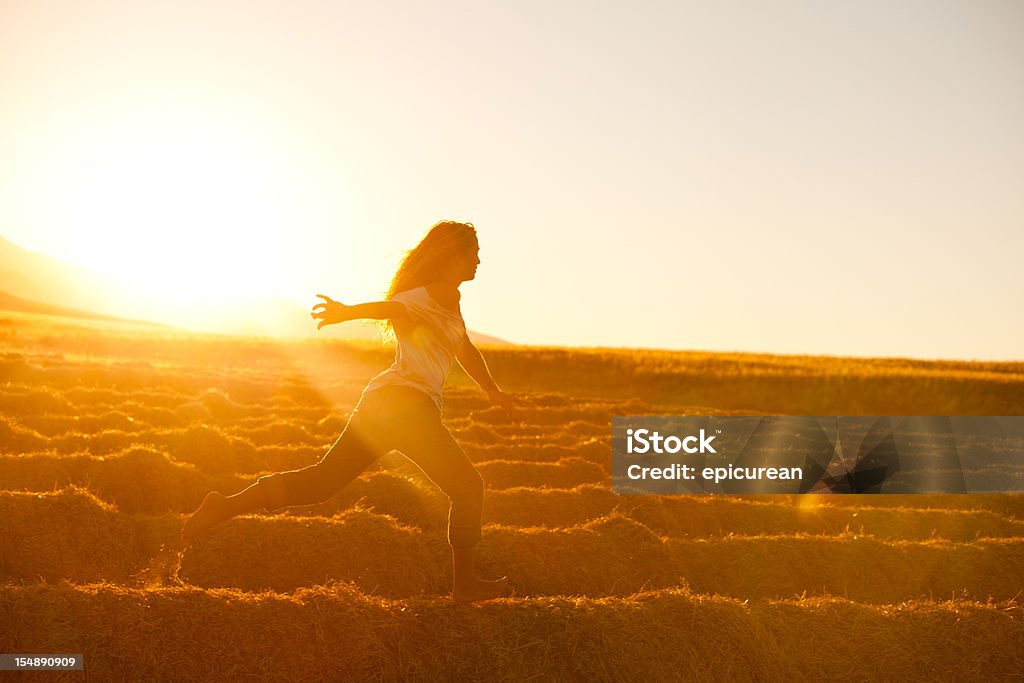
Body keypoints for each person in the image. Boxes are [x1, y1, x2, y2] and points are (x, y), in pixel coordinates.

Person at [181, 220, 516, 603]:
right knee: (468, 486)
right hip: (409, 406)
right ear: (453, 256)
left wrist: (493, 391)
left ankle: (225, 506)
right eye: (473, 253)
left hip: (383, 403)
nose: (478, 260)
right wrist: (346, 312)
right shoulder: (430, 294)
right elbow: (393, 307)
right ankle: (465, 584)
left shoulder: (449, 302)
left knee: (322, 483)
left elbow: (464, 349)